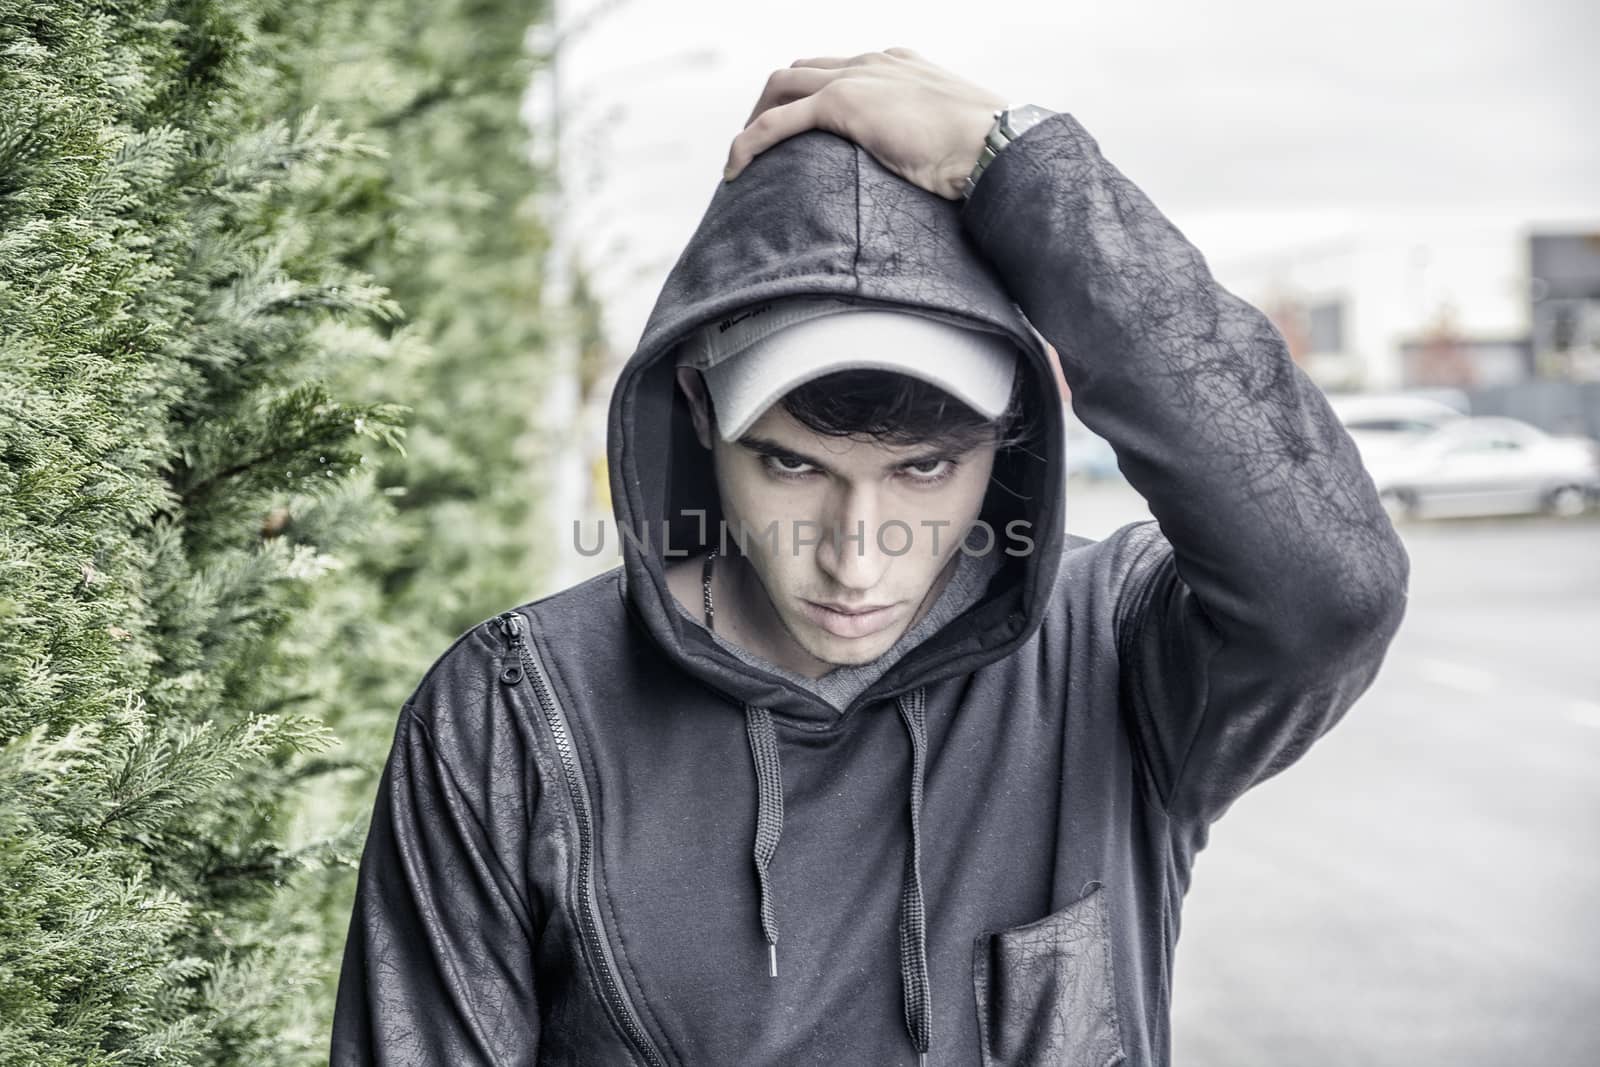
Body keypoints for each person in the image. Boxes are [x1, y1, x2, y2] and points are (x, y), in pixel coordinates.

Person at [330, 47, 1410, 1067]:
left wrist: (1020, 166)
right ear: (701, 408)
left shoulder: (1115, 653)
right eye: (794, 468)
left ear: (1009, 440)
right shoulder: (515, 713)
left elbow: (1333, 589)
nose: (856, 558)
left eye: (925, 470)